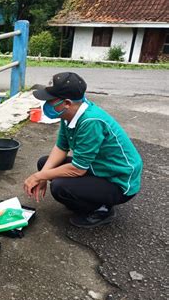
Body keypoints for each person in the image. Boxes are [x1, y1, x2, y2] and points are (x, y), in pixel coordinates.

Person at [24, 72, 143, 228]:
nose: (46, 104)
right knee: (44, 163)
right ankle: (87, 196)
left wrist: (38, 176)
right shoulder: (69, 115)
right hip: (98, 167)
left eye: (50, 101)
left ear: (66, 103)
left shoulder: (90, 121)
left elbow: (78, 170)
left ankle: (101, 209)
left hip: (117, 180)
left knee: (60, 186)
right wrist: (42, 176)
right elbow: (61, 147)